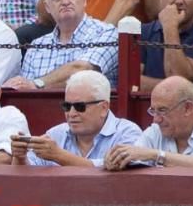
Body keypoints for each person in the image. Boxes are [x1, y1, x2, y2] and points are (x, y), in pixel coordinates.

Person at [4, 0, 118, 90]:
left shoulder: (107, 33)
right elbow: (26, 92)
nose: (65, 1)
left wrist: (37, 84)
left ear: (84, 0)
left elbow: (83, 70)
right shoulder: (36, 47)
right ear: (47, 7)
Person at [106, 76, 193, 169]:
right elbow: (135, 156)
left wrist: (157, 155)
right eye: (153, 111)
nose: (156, 119)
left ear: (187, 108)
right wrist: (115, 159)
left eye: (162, 110)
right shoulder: (155, 131)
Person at [11, 70, 141, 167]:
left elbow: (117, 171)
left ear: (103, 108)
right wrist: (20, 157)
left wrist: (59, 156)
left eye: (80, 106)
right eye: (67, 106)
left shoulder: (127, 132)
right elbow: (24, 178)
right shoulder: (55, 134)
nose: (71, 113)